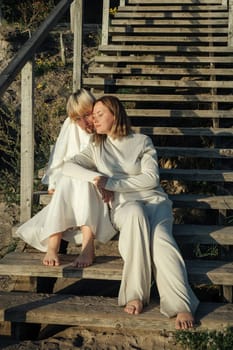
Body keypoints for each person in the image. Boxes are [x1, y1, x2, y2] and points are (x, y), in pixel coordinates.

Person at [61, 95, 200, 330]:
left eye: (99, 114)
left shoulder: (142, 141)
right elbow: (68, 166)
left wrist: (111, 183)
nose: (93, 120)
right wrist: (97, 179)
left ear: (115, 114)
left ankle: (180, 303)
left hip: (155, 202)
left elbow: (151, 178)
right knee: (134, 212)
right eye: (92, 116)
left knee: (161, 240)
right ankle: (135, 293)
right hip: (125, 207)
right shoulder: (96, 147)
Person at [16, 89, 116, 267]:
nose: (84, 122)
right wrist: (53, 182)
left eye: (87, 115)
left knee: (82, 181)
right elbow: (59, 155)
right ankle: (55, 245)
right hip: (70, 176)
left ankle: (85, 247)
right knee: (69, 179)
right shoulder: (70, 125)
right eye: (78, 118)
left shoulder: (104, 123)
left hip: (95, 180)